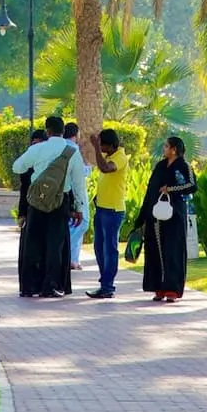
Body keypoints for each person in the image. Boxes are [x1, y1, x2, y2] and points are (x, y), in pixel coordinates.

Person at [11, 115, 88, 298]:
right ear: (63, 132)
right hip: (60, 202)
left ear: (48, 131)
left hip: (37, 202)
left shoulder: (38, 148)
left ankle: (30, 286)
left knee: (34, 243)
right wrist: (79, 207)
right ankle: (51, 285)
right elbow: (78, 183)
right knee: (55, 244)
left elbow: (17, 167)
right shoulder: (72, 152)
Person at [130, 136, 195, 302]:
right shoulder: (160, 166)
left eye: (166, 146)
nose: (164, 149)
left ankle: (172, 289)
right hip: (155, 217)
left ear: (174, 149)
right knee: (154, 251)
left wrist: (170, 189)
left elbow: (191, 186)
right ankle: (158, 287)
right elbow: (151, 190)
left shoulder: (183, 166)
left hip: (174, 216)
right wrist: (143, 215)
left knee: (172, 251)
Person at [85, 128, 128, 299]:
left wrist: (95, 147)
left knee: (109, 249)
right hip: (102, 208)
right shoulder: (110, 156)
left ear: (110, 145)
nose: (100, 147)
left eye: (102, 144)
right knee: (99, 248)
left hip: (113, 211)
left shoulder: (120, 157)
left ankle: (108, 286)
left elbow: (105, 169)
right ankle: (105, 282)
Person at [62, 122, 86, 270]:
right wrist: (88, 168)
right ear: (75, 134)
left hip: (66, 191)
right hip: (75, 192)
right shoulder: (73, 149)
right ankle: (69, 257)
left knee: (74, 226)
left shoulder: (61, 147)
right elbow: (79, 172)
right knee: (80, 224)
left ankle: (73, 259)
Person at [16, 128, 48, 222]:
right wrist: (22, 213)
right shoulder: (27, 163)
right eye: (35, 145)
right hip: (32, 207)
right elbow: (24, 188)